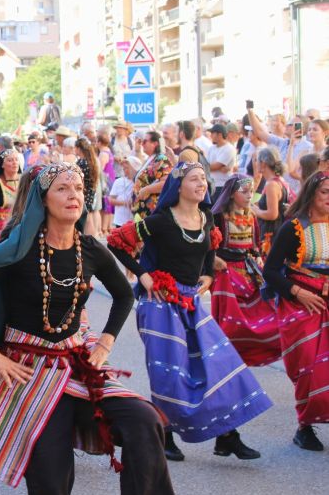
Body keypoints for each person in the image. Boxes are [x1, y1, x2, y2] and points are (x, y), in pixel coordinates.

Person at [0, 162, 190, 495]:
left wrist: (106, 343)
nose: (75, 195)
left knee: (146, 420)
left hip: (77, 365)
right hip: (30, 371)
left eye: (79, 187)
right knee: (49, 478)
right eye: (63, 188)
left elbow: (123, 296)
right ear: (43, 199)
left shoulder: (90, 249)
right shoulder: (18, 247)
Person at [108, 163, 272, 462]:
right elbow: (116, 242)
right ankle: (165, 435)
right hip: (159, 303)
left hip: (191, 300)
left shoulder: (206, 217)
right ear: (178, 186)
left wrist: (208, 276)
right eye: (194, 179)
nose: (202, 184)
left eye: (203, 180)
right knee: (171, 372)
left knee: (219, 362)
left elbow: (211, 249)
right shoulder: (159, 221)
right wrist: (143, 276)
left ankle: (227, 436)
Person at [263, 172, 329, 451]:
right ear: (312, 194)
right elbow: (270, 271)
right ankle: (305, 425)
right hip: (300, 301)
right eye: (325, 192)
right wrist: (298, 292)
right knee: (308, 366)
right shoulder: (293, 228)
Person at [210, 175, 281, 367]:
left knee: (263, 307)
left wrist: (257, 255)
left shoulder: (251, 215)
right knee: (231, 314)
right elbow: (209, 245)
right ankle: (226, 348)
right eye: (245, 192)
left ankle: (255, 346)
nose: (250, 196)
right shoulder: (218, 217)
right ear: (232, 194)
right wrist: (214, 259)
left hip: (247, 268)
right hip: (225, 270)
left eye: (252, 191)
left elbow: (255, 243)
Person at [250, 146, 288, 254]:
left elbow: (272, 214)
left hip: (270, 234)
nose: (255, 163)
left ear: (263, 164)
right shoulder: (278, 180)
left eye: (256, 160)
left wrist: (254, 210)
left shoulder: (272, 184)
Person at [132, 131, 172, 221]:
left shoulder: (161, 159)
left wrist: (146, 190)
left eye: (145, 141)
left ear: (155, 143)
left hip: (151, 210)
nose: (142, 144)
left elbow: (165, 183)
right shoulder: (151, 159)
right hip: (143, 209)